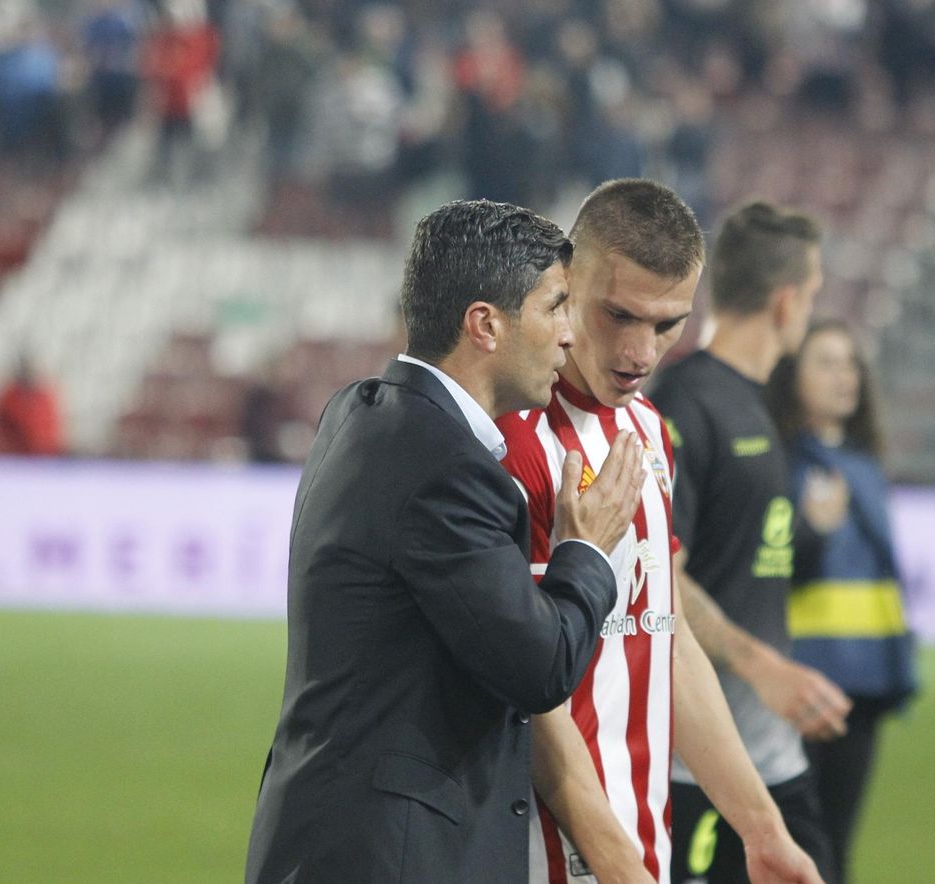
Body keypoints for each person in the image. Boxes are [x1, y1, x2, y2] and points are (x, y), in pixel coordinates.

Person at [246, 199, 646, 884]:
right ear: (485, 324)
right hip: (391, 858)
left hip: (332, 837)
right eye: (554, 307)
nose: (569, 337)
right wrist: (587, 550)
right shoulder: (445, 467)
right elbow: (537, 667)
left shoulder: (362, 410)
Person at [500, 180, 824, 884]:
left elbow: (666, 639)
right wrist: (609, 859)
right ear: (566, 279)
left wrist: (761, 829)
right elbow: (523, 687)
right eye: (619, 315)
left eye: (669, 323)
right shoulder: (513, 438)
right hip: (549, 858)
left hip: (642, 847)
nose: (642, 351)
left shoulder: (649, 430)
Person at [648, 203, 845, 884]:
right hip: (696, 768)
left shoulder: (759, 405)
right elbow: (659, 579)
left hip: (773, 760)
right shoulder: (684, 404)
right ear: (787, 302)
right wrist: (763, 667)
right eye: (813, 294)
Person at [763, 321, 918, 884]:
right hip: (804, 674)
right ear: (793, 376)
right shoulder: (779, 459)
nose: (843, 376)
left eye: (850, 363)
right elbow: (763, 570)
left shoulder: (864, 464)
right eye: (826, 362)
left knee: (837, 842)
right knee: (804, 841)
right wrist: (811, 530)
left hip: (867, 680)